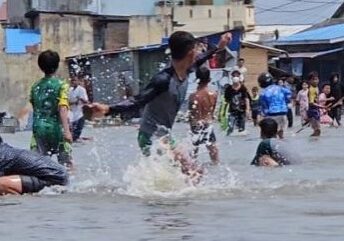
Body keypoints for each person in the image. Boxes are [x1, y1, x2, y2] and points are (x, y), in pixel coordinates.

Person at [83, 31, 231, 174]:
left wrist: (219, 47)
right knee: (192, 172)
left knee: (188, 174)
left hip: (164, 136)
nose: (198, 53)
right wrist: (108, 109)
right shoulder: (163, 80)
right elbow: (138, 101)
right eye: (196, 49)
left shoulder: (187, 69)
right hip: (150, 136)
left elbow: (202, 58)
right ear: (190, 53)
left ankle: (174, 200)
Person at [30, 50, 74, 169]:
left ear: (40, 67)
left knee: (39, 167)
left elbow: (35, 109)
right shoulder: (61, 85)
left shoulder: (35, 87)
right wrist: (67, 131)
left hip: (39, 130)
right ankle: (69, 187)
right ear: (57, 65)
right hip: (57, 130)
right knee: (66, 166)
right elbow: (62, 107)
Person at [0, 136, 68, 195]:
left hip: (54, 179)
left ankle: (23, 202)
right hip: (60, 176)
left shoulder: (3, 155)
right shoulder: (5, 150)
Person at [188, 67, 219, 164]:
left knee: (193, 153)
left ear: (197, 79)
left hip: (196, 124)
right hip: (208, 123)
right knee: (214, 153)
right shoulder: (213, 94)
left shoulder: (193, 96)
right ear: (209, 79)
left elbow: (191, 114)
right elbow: (212, 112)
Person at [258, 72, 291, 139]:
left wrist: (262, 116)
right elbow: (289, 94)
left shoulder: (263, 92)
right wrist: (285, 103)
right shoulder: (280, 88)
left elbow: (263, 106)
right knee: (281, 133)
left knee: (272, 134)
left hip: (272, 114)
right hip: (283, 112)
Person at [69, 75, 89, 142]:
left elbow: (86, 101)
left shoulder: (82, 90)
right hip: (72, 114)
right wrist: (74, 102)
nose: (74, 82)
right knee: (73, 133)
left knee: (77, 132)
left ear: (78, 81)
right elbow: (67, 102)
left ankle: (79, 139)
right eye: (72, 81)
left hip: (79, 114)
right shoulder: (70, 90)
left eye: (75, 80)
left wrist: (80, 98)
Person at [307, 71, 321, 136]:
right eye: (313, 79)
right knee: (317, 129)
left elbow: (317, 99)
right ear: (309, 81)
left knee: (317, 129)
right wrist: (322, 107)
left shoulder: (316, 88)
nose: (316, 81)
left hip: (316, 109)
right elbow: (311, 103)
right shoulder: (311, 89)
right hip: (312, 110)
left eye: (317, 79)